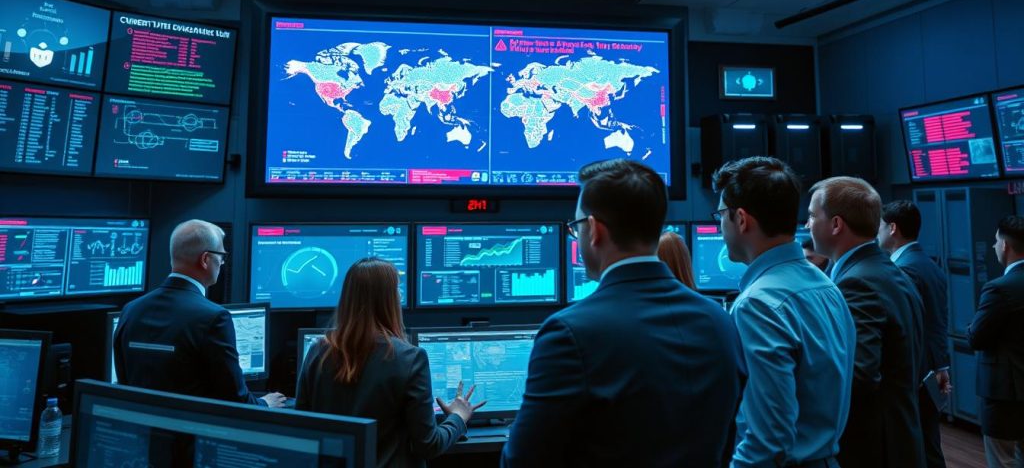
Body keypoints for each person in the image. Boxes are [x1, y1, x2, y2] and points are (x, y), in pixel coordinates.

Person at [502, 159, 744, 468]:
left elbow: (523, 460)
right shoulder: (720, 321)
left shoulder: (570, 332)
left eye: (577, 227)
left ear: (595, 230)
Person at [713, 157, 855, 468]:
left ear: (741, 219)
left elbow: (768, 440)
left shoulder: (758, 305)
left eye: (721, 215)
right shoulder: (826, 286)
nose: (720, 225)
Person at [297, 257, 483, 468]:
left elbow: (302, 429)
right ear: (388, 300)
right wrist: (458, 417)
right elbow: (428, 445)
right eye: (397, 290)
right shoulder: (410, 358)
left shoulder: (317, 351)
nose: (400, 296)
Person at [807, 177, 925, 468]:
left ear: (836, 224)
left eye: (812, 216)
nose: (807, 224)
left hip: (871, 450)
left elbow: (858, 377)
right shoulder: (888, 272)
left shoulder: (858, 283)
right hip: (899, 441)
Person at [114, 219, 286, 407]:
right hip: (190, 425)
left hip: (137, 423)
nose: (222, 262)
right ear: (205, 259)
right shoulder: (214, 317)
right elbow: (235, 401)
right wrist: (265, 403)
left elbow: (124, 386)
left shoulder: (131, 309)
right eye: (221, 256)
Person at [879, 200, 951, 468]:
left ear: (892, 228)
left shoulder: (903, 270)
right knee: (930, 444)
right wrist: (941, 365)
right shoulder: (930, 265)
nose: (877, 232)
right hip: (930, 368)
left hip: (913, 371)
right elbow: (938, 322)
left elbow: (908, 327)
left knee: (914, 447)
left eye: (880, 226)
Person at [968, 215, 1024, 468]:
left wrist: (970, 327)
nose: (993, 246)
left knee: (1002, 461)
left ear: (1005, 245)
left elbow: (976, 337)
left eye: (995, 241)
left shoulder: (999, 288)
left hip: (1004, 394)